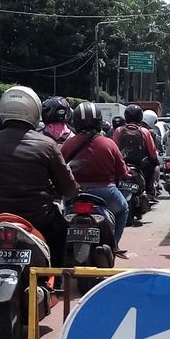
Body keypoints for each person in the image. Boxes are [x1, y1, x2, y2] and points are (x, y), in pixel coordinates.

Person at [0, 85, 78, 263]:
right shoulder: (47, 145)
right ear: (35, 111)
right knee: (61, 232)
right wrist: (69, 191)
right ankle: (56, 276)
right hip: (39, 217)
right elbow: (68, 188)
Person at [61, 101, 130, 246]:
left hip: (74, 193)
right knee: (123, 209)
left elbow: (59, 168)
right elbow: (123, 171)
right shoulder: (109, 143)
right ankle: (114, 245)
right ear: (99, 121)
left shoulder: (68, 143)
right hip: (105, 192)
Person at [113, 104, 158, 201]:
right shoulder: (144, 131)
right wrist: (155, 162)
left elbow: (114, 149)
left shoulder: (119, 130)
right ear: (140, 117)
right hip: (139, 166)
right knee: (153, 168)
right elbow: (153, 153)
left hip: (122, 165)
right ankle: (149, 192)